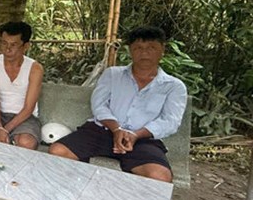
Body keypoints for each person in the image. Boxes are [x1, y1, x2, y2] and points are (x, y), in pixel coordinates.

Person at [49, 26, 187, 182]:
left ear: (162, 50)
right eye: (138, 48)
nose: (144, 53)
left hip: (143, 140)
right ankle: (76, 188)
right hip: (102, 131)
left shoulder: (173, 86)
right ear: (130, 50)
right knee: (58, 151)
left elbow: (170, 121)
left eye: (151, 48)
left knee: (160, 176)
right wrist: (116, 129)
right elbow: (99, 105)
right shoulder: (112, 74)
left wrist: (136, 134)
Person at [0, 21, 43, 149]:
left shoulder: (35, 68)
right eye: (4, 43)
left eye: (13, 45)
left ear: (26, 46)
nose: (7, 49)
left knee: (26, 142)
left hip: (24, 118)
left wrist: (4, 130)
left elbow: (28, 108)